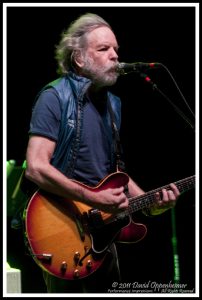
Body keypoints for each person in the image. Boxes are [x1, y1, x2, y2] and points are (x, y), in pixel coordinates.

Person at [24, 13, 180, 293]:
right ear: (79, 59)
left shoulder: (113, 105)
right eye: (103, 49)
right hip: (64, 229)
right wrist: (94, 197)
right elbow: (35, 166)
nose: (115, 56)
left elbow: (113, 172)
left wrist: (148, 201)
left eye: (116, 49)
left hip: (103, 234)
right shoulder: (54, 96)